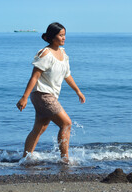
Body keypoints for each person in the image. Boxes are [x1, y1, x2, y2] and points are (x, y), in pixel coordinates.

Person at [16, 22, 85, 163]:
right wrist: (24, 97)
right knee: (66, 123)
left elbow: (67, 75)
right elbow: (34, 76)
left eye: (64, 34)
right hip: (42, 94)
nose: (64, 38)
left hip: (49, 95)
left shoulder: (63, 53)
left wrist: (78, 91)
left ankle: (25, 159)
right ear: (53, 37)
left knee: (39, 128)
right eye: (61, 35)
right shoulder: (45, 54)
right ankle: (65, 159)